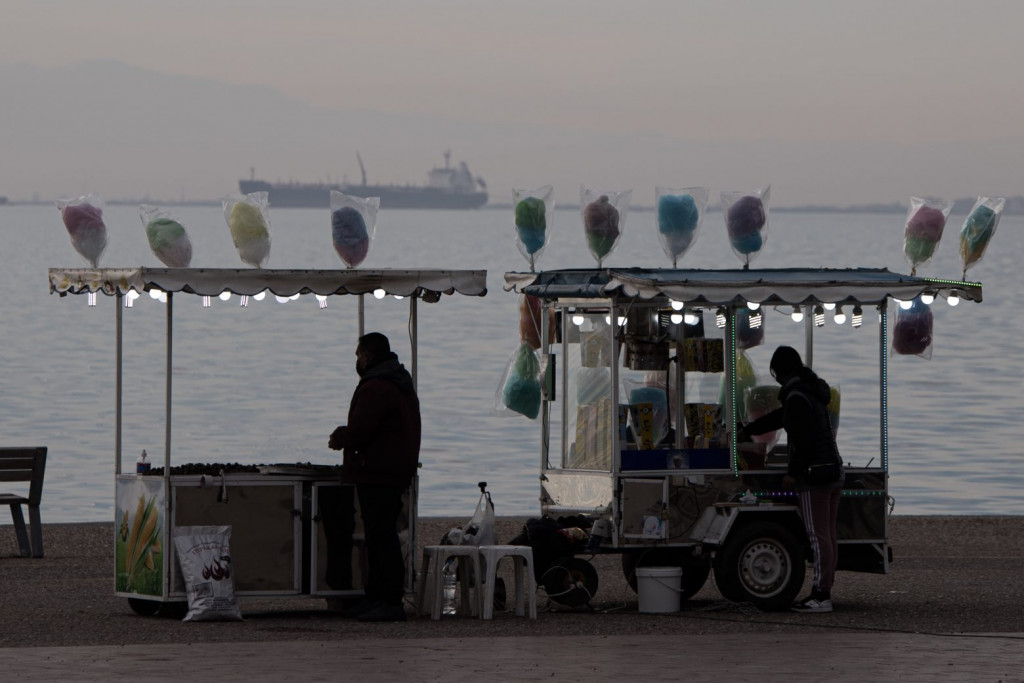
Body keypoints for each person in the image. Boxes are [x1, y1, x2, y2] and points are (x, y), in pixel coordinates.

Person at [738, 345, 844, 614]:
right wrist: (750, 429)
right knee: (828, 535)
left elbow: (801, 440)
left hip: (814, 475)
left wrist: (791, 474)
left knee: (817, 536)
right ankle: (824, 590)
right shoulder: (810, 392)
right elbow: (781, 419)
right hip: (832, 468)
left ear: (780, 372)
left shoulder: (797, 397)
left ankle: (821, 595)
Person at [328, 332, 421, 622]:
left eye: (358, 355)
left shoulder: (376, 387)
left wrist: (341, 436)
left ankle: (388, 600)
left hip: (379, 473)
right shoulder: (398, 381)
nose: (357, 360)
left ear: (367, 355)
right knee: (382, 536)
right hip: (394, 471)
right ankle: (378, 597)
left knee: (381, 538)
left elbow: (361, 431)